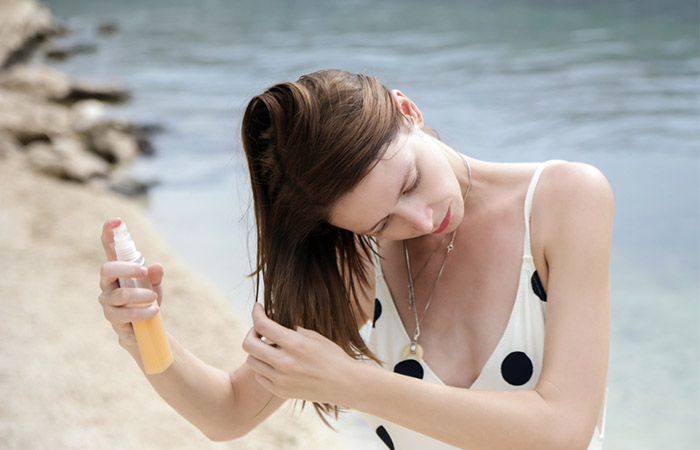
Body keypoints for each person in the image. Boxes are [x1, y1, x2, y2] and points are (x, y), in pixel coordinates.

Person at [98, 69, 612, 449]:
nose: (422, 219)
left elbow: (563, 429)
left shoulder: (562, 200)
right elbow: (228, 413)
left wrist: (350, 381)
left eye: (409, 182)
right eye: (383, 223)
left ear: (408, 110)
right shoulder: (358, 262)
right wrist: (144, 334)